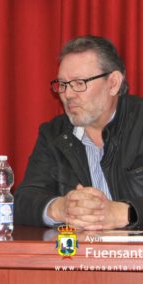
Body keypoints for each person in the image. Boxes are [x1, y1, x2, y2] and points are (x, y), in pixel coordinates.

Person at [14, 35, 143, 230]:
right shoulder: (54, 134)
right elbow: (23, 201)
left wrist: (124, 213)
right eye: (63, 84)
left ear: (113, 83)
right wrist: (60, 208)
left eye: (79, 83)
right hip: (78, 256)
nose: (68, 95)